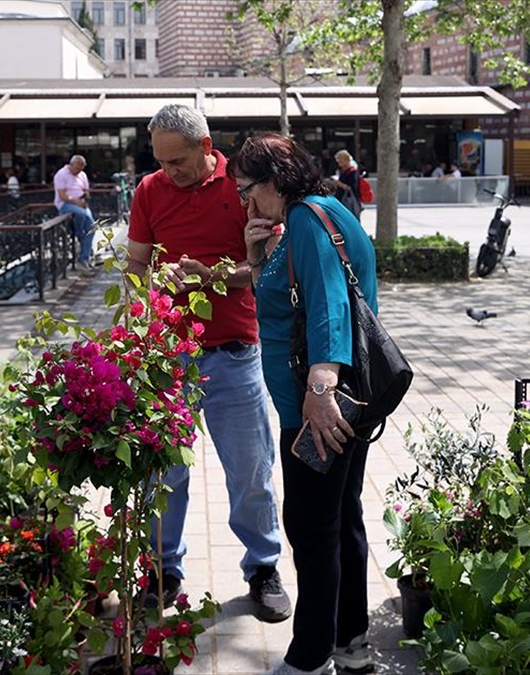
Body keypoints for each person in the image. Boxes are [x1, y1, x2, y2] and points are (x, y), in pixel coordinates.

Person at [124, 104, 291, 624]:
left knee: (250, 470)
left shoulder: (242, 188)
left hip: (235, 351)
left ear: (205, 146)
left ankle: (263, 567)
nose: (168, 171)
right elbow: (136, 264)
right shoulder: (149, 191)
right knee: (163, 473)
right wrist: (150, 288)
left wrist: (211, 276)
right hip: (166, 356)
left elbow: (265, 266)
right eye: (160, 161)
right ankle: (162, 571)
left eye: (177, 161)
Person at [231, 133, 379, 675]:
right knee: (340, 518)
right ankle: (349, 640)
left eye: (248, 189)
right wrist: (255, 256)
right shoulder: (322, 212)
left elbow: (329, 306)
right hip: (346, 400)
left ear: (275, 180)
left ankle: (311, 657)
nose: (246, 202)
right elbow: (289, 296)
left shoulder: (307, 221)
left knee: (312, 528)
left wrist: (320, 390)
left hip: (318, 410)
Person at [53, 155, 96, 268]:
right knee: (81, 214)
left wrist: (85, 199)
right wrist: (76, 202)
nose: (79, 171)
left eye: (81, 169)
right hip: (66, 204)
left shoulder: (83, 175)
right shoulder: (61, 174)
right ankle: (79, 234)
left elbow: (86, 190)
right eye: (77, 168)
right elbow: (62, 195)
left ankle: (84, 257)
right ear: (71, 164)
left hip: (81, 204)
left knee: (92, 227)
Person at [330, 150, 362, 220]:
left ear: (346, 160)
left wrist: (339, 183)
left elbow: (352, 188)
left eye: (340, 161)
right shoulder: (343, 171)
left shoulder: (353, 172)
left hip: (349, 201)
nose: (339, 163)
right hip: (341, 199)